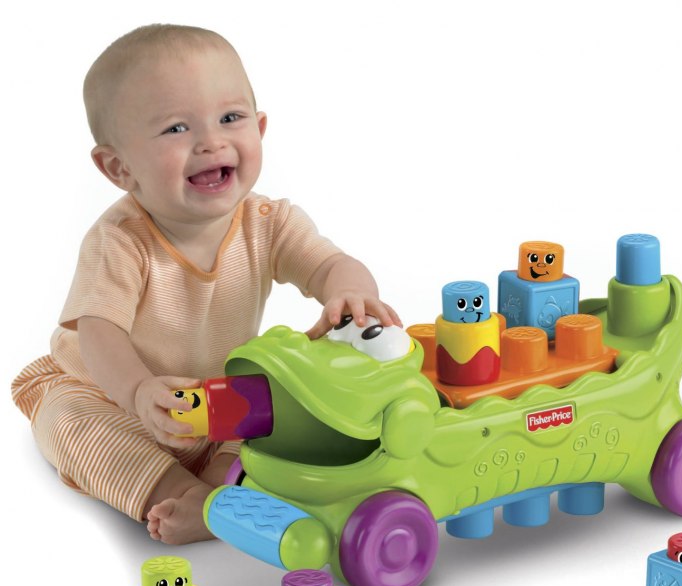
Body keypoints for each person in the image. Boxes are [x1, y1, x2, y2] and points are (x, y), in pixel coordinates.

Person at [11, 24, 399, 545]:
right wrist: (136, 392)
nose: (211, 141)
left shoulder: (269, 222)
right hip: (112, 394)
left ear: (260, 128)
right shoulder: (119, 240)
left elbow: (330, 265)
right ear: (119, 167)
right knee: (71, 422)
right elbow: (100, 332)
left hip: (220, 400)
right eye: (176, 128)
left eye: (231, 118)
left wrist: (351, 294)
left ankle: (221, 486)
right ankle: (178, 492)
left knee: (285, 404)